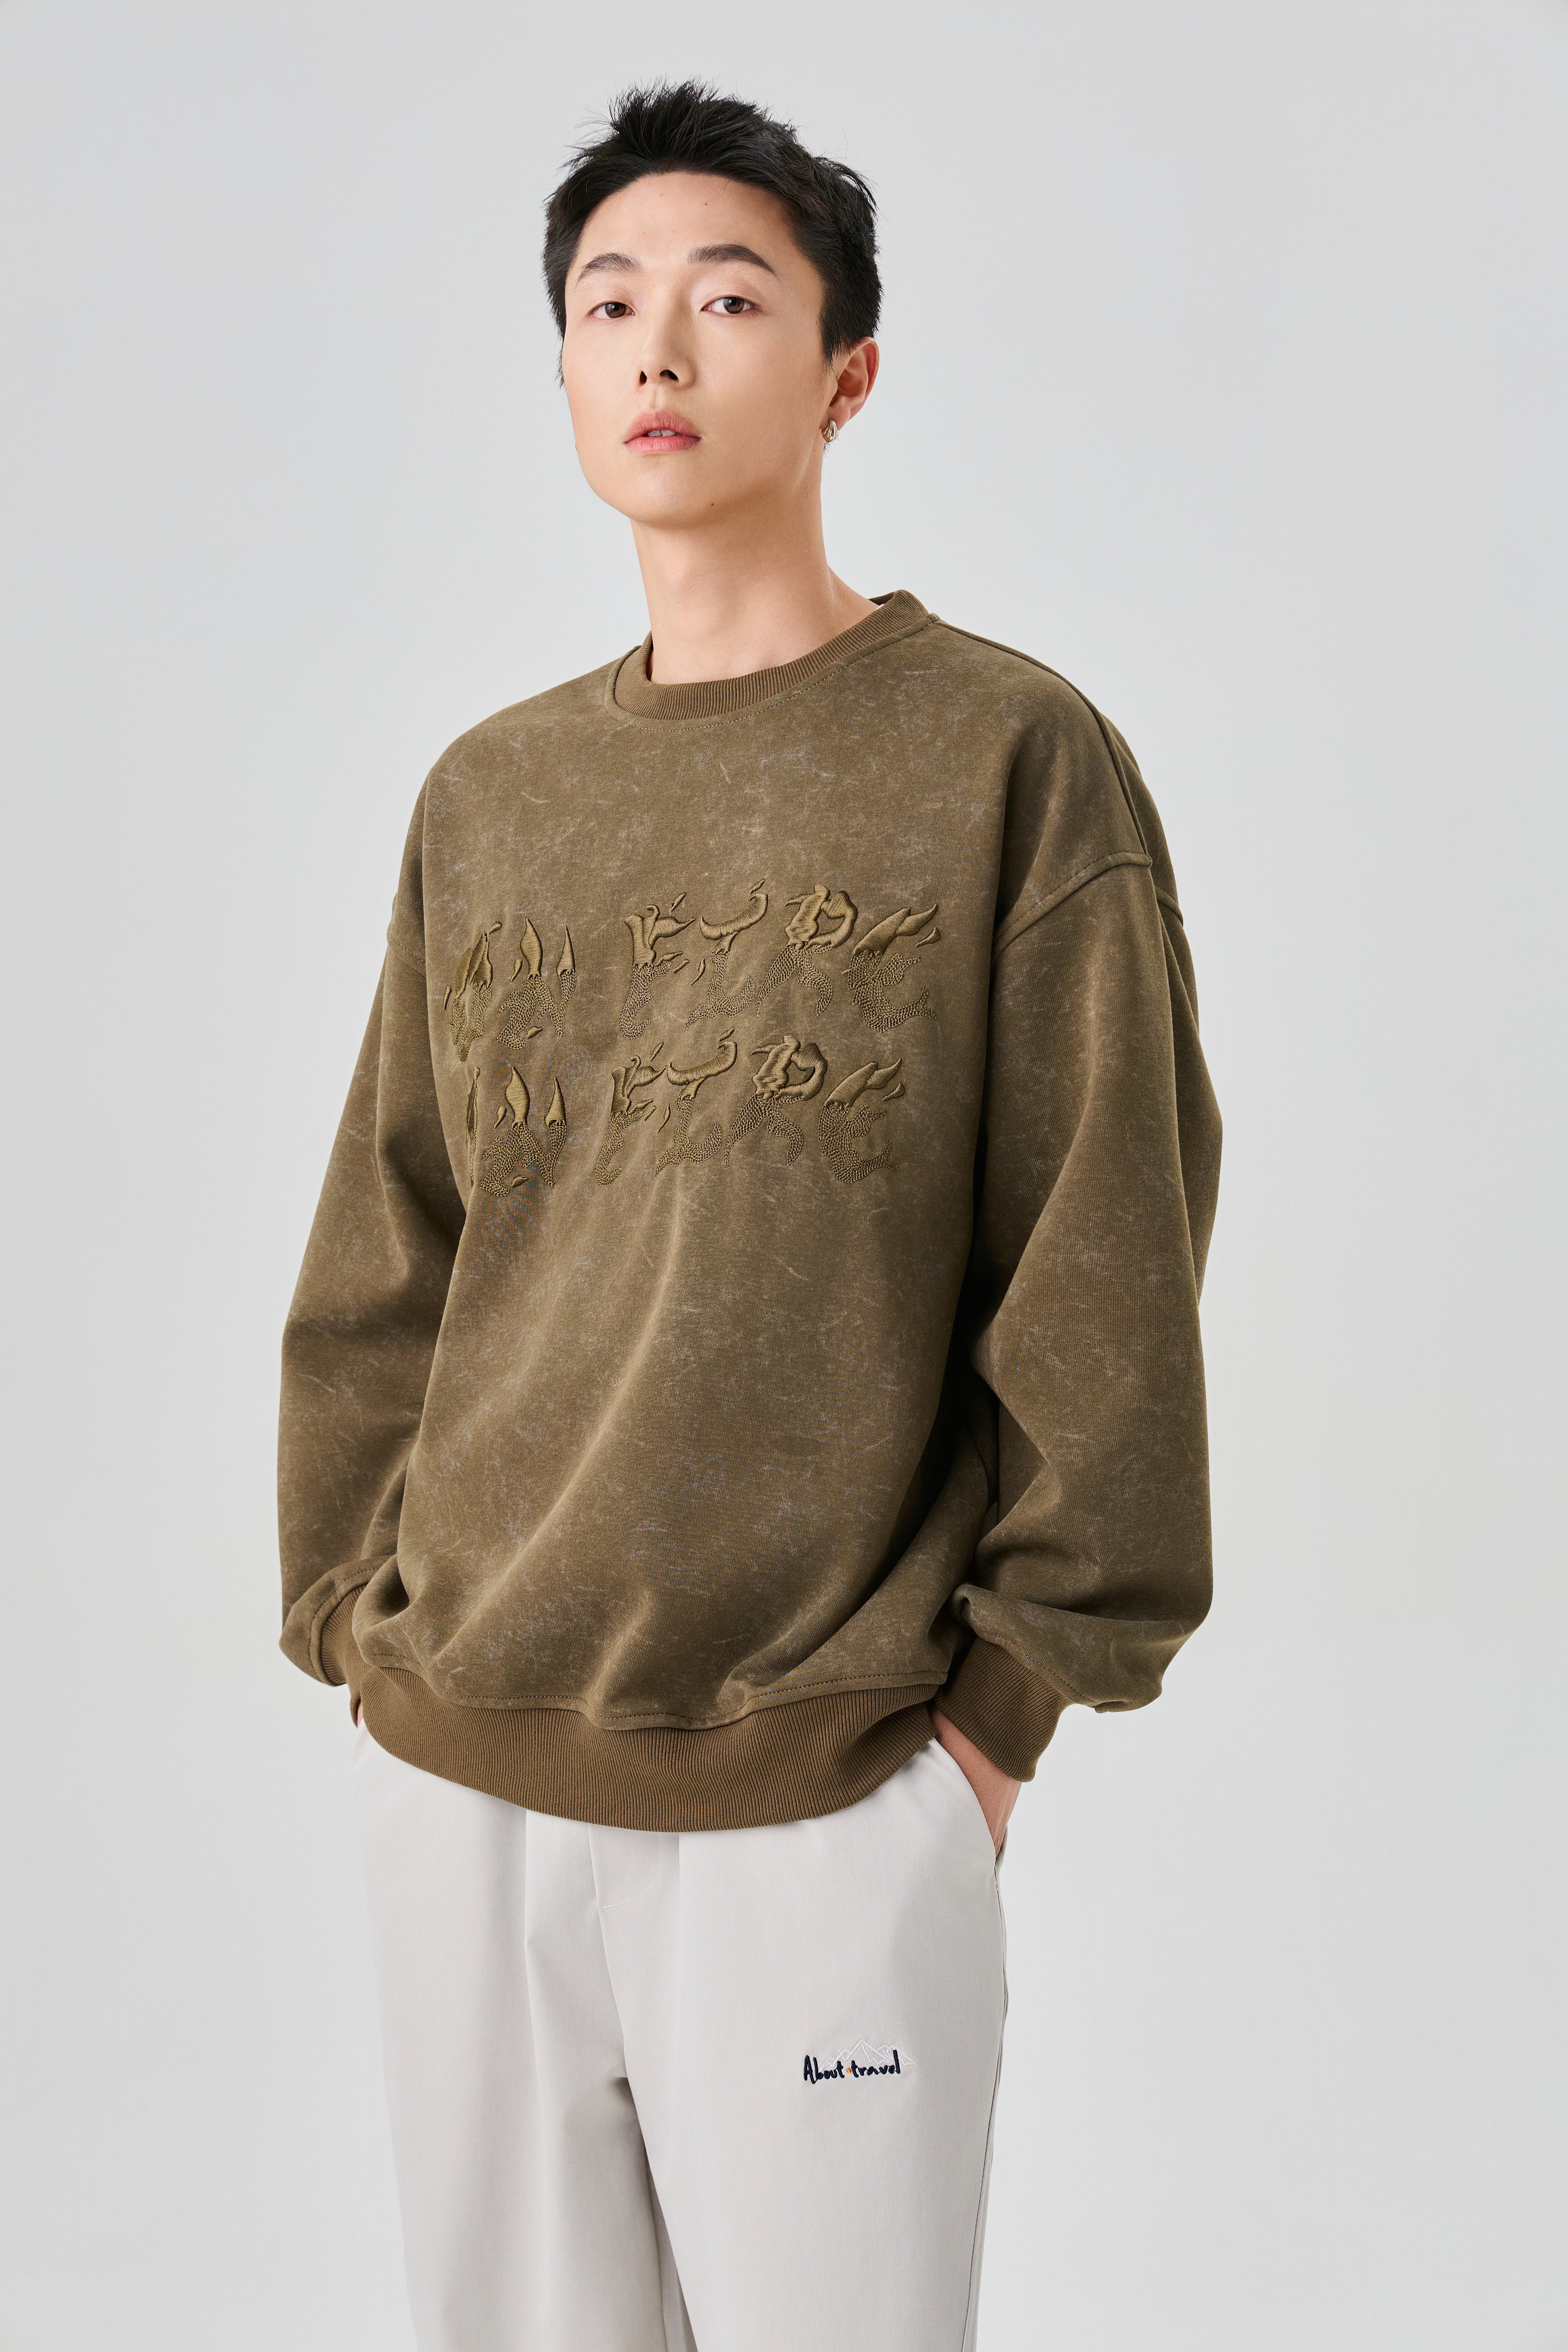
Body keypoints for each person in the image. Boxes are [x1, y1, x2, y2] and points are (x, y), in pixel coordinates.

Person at [278, 79, 1221, 2352]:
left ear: (847, 372)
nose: (660, 350)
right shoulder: (495, 791)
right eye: (609, 305)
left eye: (728, 298)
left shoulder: (1006, 756)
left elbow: (1110, 1233)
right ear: (564, 371)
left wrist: (994, 1721)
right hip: (465, 1762)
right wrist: (355, 1626)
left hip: (834, 1777)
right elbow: (396, 1238)